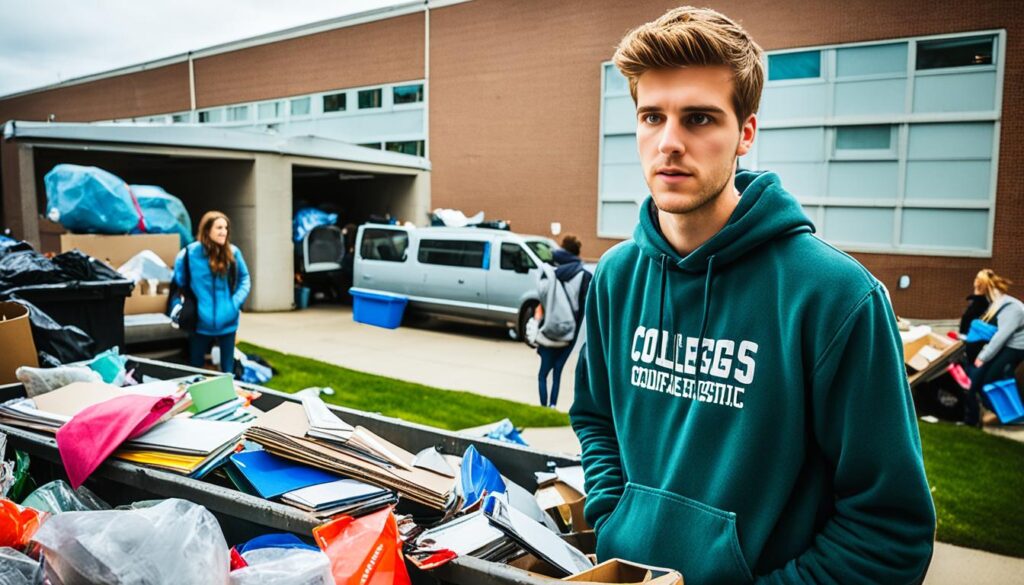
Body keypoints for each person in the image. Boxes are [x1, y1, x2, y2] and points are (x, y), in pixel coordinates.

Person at [569, 7, 936, 584]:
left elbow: (890, 531)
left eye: (698, 119)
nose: (669, 143)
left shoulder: (836, 296)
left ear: (745, 133)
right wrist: (614, 516)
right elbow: (595, 418)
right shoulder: (616, 276)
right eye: (651, 116)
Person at [174, 211, 251, 376]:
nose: (224, 232)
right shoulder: (188, 254)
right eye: (219, 228)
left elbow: (245, 279)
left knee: (227, 371)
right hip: (200, 323)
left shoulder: (233, 252)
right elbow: (180, 280)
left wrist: (234, 303)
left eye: (226, 228)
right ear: (207, 230)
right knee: (195, 370)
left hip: (228, 323)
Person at [534, 234, 591, 408]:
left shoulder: (550, 270)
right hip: (568, 333)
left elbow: (542, 299)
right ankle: (552, 405)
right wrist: (573, 338)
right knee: (557, 372)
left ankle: (543, 407)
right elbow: (582, 311)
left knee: (543, 374)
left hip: (548, 329)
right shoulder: (584, 275)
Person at [963, 269, 1024, 426]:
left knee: (990, 378)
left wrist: (983, 357)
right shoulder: (998, 305)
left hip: (1016, 348)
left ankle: (1011, 415)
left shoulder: (1011, 308)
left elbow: (1001, 337)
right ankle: (997, 414)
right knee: (985, 380)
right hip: (1008, 347)